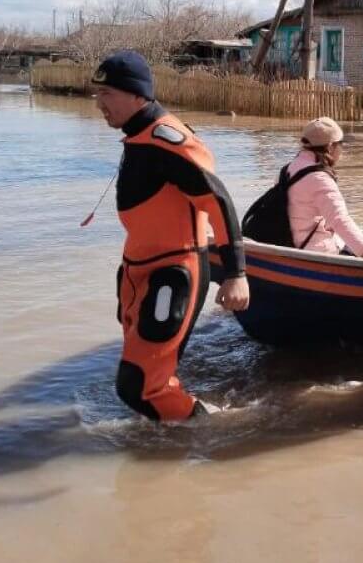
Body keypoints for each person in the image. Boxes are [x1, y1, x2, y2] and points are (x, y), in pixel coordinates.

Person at [92, 51, 249, 422]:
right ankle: (166, 445)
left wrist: (236, 273)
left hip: (174, 271)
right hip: (139, 270)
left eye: (107, 95)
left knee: (141, 388)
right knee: (141, 379)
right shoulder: (139, 135)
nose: (99, 104)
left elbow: (219, 202)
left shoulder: (168, 141)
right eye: (96, 95)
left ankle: (208, 431)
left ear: (137, 96)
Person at [286, 117, 363, 269]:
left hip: (295, 241)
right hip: (320, 250)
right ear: (331, 147)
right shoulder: (320, 179)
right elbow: (339, 219)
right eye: (341, 144)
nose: (342, 149)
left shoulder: (289, 168)